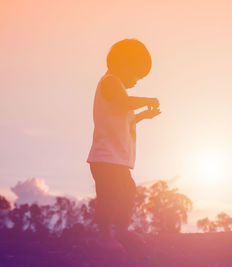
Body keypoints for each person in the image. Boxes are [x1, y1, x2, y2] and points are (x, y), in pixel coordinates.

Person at [86, 38, 161, 252]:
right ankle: (104, 235)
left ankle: (121, 230)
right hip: (105, 157)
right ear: (122, 63)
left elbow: (125, 118)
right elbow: (124, 102)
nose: (137, 80)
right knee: (111, 193)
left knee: (127, 191)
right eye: (137, 74)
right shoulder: (109, 82)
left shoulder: (119, 90)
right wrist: (146, 100)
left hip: (118, 159)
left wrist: (143, 116)